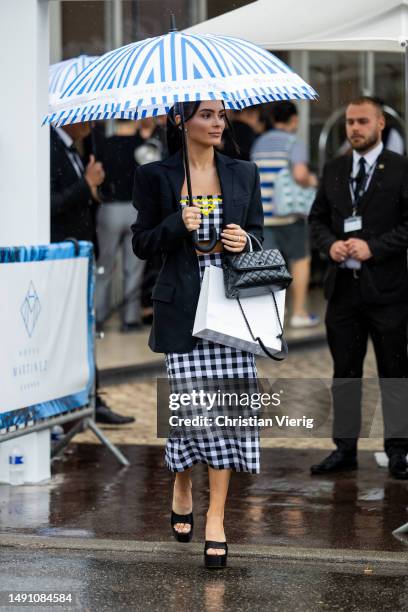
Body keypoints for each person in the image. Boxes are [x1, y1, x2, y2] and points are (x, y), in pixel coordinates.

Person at [131, 100, 263, 568]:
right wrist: (174, 225)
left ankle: (217, 520)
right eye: (206, 114)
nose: (216, 123)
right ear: (180, 120)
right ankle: (182, 479)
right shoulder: (155, 176)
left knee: (226, 415)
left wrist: (243, 240)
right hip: (182, 309)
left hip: (230, 309)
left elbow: (258, 235)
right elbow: (141, 242)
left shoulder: (243, 172)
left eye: (221, 115)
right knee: (190, 412)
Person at [309, 96, 408, 480]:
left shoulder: (400, 169)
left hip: (388, 291)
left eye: (362, 121)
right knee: (345, 374)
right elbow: (316, 218)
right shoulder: (335, 168)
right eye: (350, 122)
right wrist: (329, 244)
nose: (354, 128)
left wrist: (374, 247)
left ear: (380, 124)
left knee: (395, 373)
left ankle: (399, 450)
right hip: (343, 292)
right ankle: (344, 449)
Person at [50, 123, 135, 425]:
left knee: (83, 333)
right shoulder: (50, 147)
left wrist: (92, 191)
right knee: (68, 333)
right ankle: (74, 403)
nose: (91, 125)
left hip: (81, 254)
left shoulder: (76, 149)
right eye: (85, 119)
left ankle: (90, 399)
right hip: (60, 257)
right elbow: (51, 203)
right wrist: (85, 185)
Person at [251, 101, 319, 328]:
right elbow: (300, 174)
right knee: (300, 260)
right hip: (289, 214)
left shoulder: (259, 142)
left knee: (270, 266)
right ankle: (298, 313)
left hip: (265, 215)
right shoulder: (293, 143)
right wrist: (313, 181)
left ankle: (274, 316)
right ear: (294, 119)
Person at [95, 118, 164, 332]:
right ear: (134, 120)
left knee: (104, 266)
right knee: (133, 268)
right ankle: (130, 319)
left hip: (109, 209)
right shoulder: (143, 147)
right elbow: (154, 178)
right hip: (136, 210)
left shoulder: (103, 144)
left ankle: (98, 317)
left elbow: (97, 178)